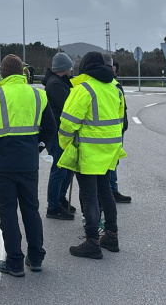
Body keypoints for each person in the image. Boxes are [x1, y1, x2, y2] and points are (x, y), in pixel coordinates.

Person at [0, 54, 56, 277]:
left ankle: (14, 261)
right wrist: (37, 146)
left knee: (8, 212)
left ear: (1, 73)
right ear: (23, 72)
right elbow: (50, 127)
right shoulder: (37, 94)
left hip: (3, 164)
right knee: (31, 209)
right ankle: (36, 256)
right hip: (29, 162)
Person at [58, 52, 126, 259]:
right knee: (105, 191)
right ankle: (111, 236)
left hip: (88, 151)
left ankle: (92, 242)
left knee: (88, 196)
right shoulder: (115, 88)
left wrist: (65, 144)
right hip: (110, 150)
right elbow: (121, 119)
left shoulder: (84, 89)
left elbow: (68, 123)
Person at [41, 52, 77, 220]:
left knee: (66, 168)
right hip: (56, 133)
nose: (71, 69)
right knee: (59, 169)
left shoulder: (61, 82)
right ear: (64, 68)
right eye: (70, 66)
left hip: (62, 133)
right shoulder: (55, 84)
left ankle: (60, 199)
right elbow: (67, 106)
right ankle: (53, 207)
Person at [109, 61, 132, 203]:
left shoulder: (117, 86)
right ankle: (112, 190)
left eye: (114, 70)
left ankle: (113, 189)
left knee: (114, 161)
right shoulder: (109, 86)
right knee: (111, 161)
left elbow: (123, 109)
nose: (112, 72)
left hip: (118, 129)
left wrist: (125, 125)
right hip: (111, 131)